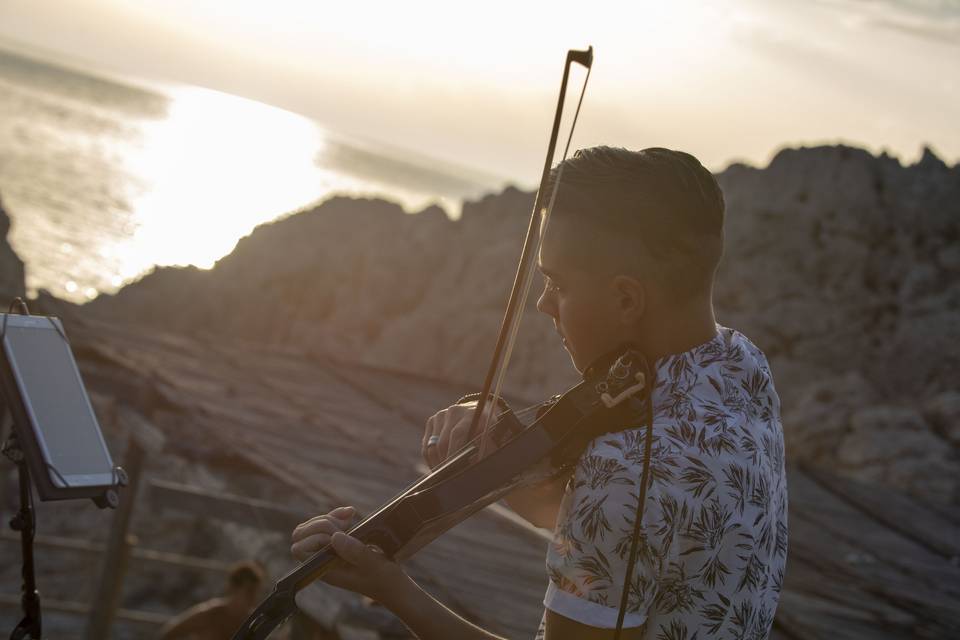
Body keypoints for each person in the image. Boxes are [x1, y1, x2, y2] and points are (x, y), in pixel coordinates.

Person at [291, 146, 788, 639]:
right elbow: (616, 527)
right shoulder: (740, 367)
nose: (543, 303)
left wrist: (394, 590)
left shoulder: (625, 475)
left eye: (558, 284)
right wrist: (498, 439)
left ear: (625, 298)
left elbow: (614, 507)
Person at [158, 561, 265, 639]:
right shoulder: (210, 613)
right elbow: (169, 633)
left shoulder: (252, 622)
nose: (254, 596)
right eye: (250, 591)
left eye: (256, 591)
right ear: (234, 588)